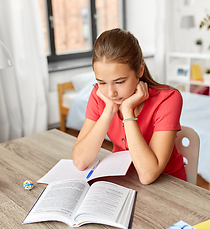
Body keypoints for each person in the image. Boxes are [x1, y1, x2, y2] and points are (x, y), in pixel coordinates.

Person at [72, 28, 186, 185]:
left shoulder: (168, 99)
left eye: (120, 82)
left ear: (140, 69)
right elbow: (80, 161)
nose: (111, 92)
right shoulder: (99, 95)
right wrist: (109, 110)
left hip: (168, 185)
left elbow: (148, 175)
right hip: (125, 179)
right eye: (102, 82)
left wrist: (127, 112)